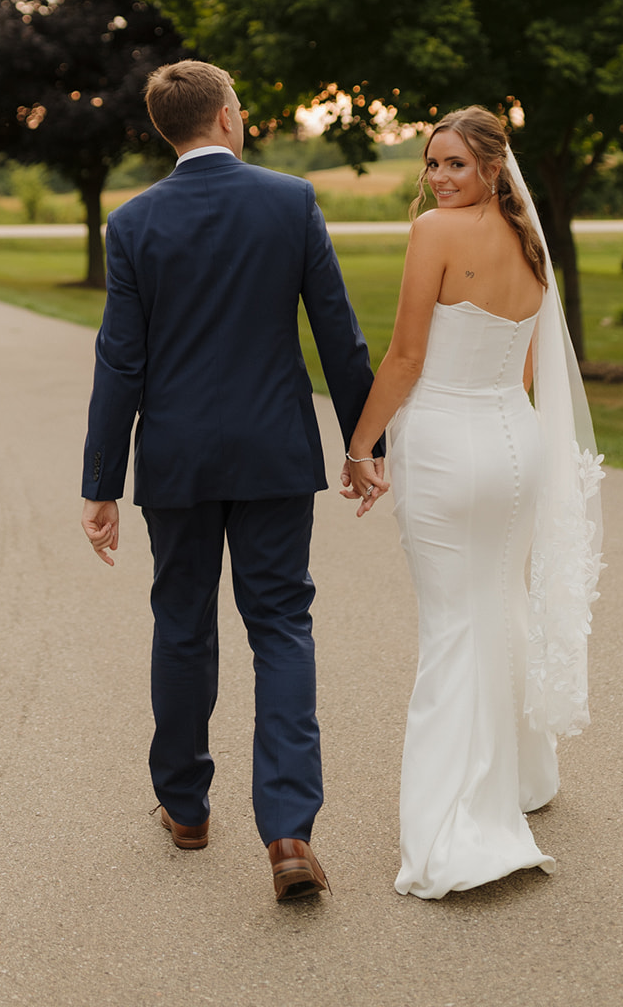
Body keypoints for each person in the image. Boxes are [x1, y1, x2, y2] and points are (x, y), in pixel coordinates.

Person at [80, 60, 381, 901]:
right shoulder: (289, 200)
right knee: (281, 624)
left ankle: (185, 808)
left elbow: (120, 362)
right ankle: (288, 831)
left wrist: (100, 482)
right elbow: (339, 335)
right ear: (221, 118)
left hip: (175, 459)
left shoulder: (133, 222)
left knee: (181, 624)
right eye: (240, 107)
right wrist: (366, 443)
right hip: (274, 451)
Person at [340, 107, 604, 900]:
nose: (439, 178)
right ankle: (524, 775)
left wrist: (361, 447)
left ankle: (458, 826)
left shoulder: (433, 234)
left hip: (449, 448)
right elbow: (523, 371)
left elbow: (406, 355)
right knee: (497, 604)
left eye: (454, 163)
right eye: (431, 164)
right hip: (512, 445)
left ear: (492, 166)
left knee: (454, 626)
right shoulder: (528, 241)